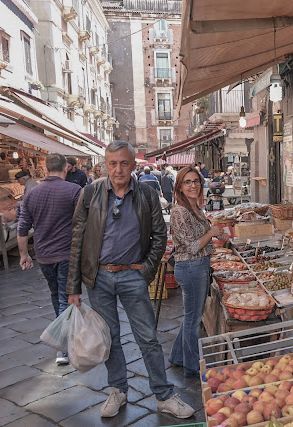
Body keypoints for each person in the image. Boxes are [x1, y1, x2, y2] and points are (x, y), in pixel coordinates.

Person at [66, 141, 194, 420]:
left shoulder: (147, 194)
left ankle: (163, 395)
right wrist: (73, 287)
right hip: (98, 277)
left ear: (134, 165)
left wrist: (146, 270)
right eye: (112, 163)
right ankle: (118, 390)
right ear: (104, 165)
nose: (118, 169)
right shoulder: (90, 194)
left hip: (133, 275)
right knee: (109, 338)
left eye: (124, 163)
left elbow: (160, 236)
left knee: (147, 337)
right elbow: (76, 241)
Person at [17, 153, 81, 365]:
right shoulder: (74, 191)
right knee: (65, 297)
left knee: (57, 295)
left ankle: (63, 336)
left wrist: (24, 254)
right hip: (67, 254)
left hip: (44, 256)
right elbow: (85, 224)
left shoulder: (32, 193)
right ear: (65, 169)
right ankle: (63, 347)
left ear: (45, 170)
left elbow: (22, 227)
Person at [168, 166, 227, 376]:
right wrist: (211, 232)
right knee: (193, 319)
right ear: (180, 187)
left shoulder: (194, 207)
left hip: (199, 266)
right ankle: (192, 367)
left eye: (195, 181)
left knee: (191, 315)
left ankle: (177, 356)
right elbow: (191, 246)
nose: (192, 186)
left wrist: (216, 233)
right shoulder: (180, 211)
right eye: (187, 182)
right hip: (191, 268)